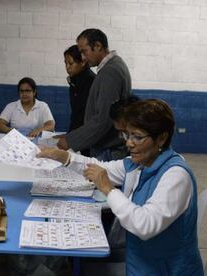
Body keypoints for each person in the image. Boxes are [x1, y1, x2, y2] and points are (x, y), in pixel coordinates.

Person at [39, 99, 204, 275]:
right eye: (128, 135)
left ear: (162, 138)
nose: (129, 143)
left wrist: (108, 189)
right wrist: (64, 157)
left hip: (168, 270)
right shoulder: (137, 163)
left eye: (138, 137)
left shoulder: (176, 175)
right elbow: (101, 168)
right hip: (140, 262)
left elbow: (145, 225)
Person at [57, 29, 131, 161]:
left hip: (108, 149)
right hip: (105, 146)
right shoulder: (112, 66)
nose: (83, 57)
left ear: (98, 46)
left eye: (84, 51)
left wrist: (70, 140)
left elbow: (104, 118)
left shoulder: (110, 72)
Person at [64, 44, 95, 155]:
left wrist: (70, 138)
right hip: (80, 135)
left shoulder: (90, 82)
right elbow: (75, 114)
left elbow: (84, 116)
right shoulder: (74, 81)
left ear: (82, 62)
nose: (67, 67)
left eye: (71, 63)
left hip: (89, 137)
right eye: (65, 63)